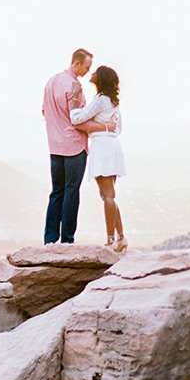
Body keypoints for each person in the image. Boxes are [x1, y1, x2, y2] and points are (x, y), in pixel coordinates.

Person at [42, 48, 110, 244]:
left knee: (57, 192)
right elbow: (78, 120)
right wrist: (103, 126)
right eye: (86, 67)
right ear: (77, 62)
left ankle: (50, 239)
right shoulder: (74, 86)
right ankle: (67, 240)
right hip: (74, 147)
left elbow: (45, 111)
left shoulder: (51, 82)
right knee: (72, 192)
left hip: (55, 146)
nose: (88, 72)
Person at [69, 65, 127, 250]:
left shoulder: (101, 99)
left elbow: (78, 118)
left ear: (100, 78)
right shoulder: (113, 101)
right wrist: (103, 126)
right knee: (108, 195)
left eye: (95, 72)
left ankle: (111, 240)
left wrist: (75, 98)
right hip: (112, 146)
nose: (91, 73)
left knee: (108, 195)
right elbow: (118, 128)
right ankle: (121, 237)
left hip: (102, 147)